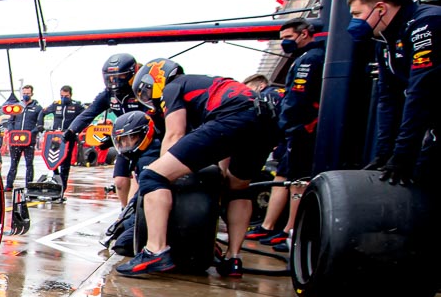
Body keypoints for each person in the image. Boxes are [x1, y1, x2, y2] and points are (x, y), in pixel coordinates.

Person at [115, 59, 280, 278]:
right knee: (237, 189)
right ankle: (233, 259)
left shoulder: (173, 87)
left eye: (145, 91)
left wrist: (164, 170)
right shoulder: (207, 84)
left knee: (152, 176)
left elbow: (174, 134)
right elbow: (224, 149)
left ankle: (155, 251)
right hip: (265, 122)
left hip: (234, 116)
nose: (148, 97)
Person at [348, 0, 441, 186]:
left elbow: (422, 92)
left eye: (357, 14)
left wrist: (403, 154)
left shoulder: (428, 23)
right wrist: (384, 153)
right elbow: (388, 98)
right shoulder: (384, 41)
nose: (353, 22)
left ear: (380, 8)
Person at [247, 19, 324, 250]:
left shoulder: (310, 58)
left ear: (304, 34)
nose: (284, 43)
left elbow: (298, 98)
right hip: (293, 129)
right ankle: (269, 226)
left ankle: (291, 231)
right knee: (282, 178)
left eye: (288, 38)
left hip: (302, 128)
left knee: (297, 182)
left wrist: (287, 124)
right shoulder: (301, 58)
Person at [69, 53, 157, 207]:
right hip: (126, 143)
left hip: (148, 141)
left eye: (120, 77)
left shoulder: (144, 90)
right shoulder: (108, 94)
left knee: (138, 179)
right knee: (120, 182)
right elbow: (89, 113)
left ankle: (135, 214)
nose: (115, 81)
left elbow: (154, 117)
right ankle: (124, 211)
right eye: (111, 77)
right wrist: (71, 130)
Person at [41, 85, 85, 195]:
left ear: (70, 95)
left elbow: (85, 118)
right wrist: (40, 125)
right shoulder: (56, 105)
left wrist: (77, 130)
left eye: (66, 96)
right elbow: (42, 112)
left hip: (69, 136)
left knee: (65, 163)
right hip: (55, 136)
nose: (64, 98)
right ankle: (56, 180)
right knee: (53, 160)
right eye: (62, 96)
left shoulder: (77, 106)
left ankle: (62, 187)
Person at [3, 84, 44, 188]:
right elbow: (10, 121)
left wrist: (32, 133)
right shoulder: (17, 107)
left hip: (29, 141)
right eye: (24, 93)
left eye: (28, 93)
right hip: (15, 140)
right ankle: (9, 185)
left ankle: (29, 186)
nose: (26, 95)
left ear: (32, 94)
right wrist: (12, 131)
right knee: (13, 164)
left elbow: (40, 125)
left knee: (29, 164)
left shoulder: (37, 108)